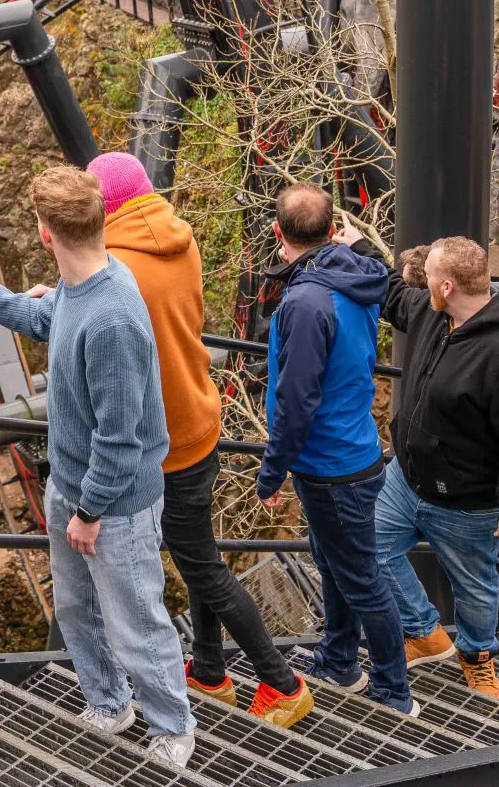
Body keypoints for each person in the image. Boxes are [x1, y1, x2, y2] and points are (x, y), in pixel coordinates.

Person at [0, 166, 197, 769]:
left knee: (137, 623)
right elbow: (45, 320)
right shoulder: (80, 286)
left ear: (46, 232)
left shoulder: (113, 320)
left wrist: (90, 512)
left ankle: (173, 727)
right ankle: (109, 702)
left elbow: (122, 439)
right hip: (72, 488)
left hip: (113, 505)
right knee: (76, 608)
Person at [85, 152, 314, 728]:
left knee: (203, 566)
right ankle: (209, 672)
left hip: (163, 436)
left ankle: (283, 684)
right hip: (200, 416)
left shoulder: (115, 267)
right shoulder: (176, 239)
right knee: (198, 554)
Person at [254, 184, 416, 716]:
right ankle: (340, 660)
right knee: (336, 562)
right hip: (356, 449)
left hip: (329, 463)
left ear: (279, 233)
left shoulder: (305, 302)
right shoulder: (356, 273)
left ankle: (394, 690)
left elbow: (295, 401)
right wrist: (357, 245)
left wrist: (271, 473)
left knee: (362, 578)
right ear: (331, 230)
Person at [371, 237, 499, 703]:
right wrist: (358, 252)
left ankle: (477, 658)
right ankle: (426, 632)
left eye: (426, 273)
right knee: (370, 546)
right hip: (406, 479)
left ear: (447, 285)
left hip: (467, 502)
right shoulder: (436, 312)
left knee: (475, 590)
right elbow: (393, 293)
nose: (418, 276)